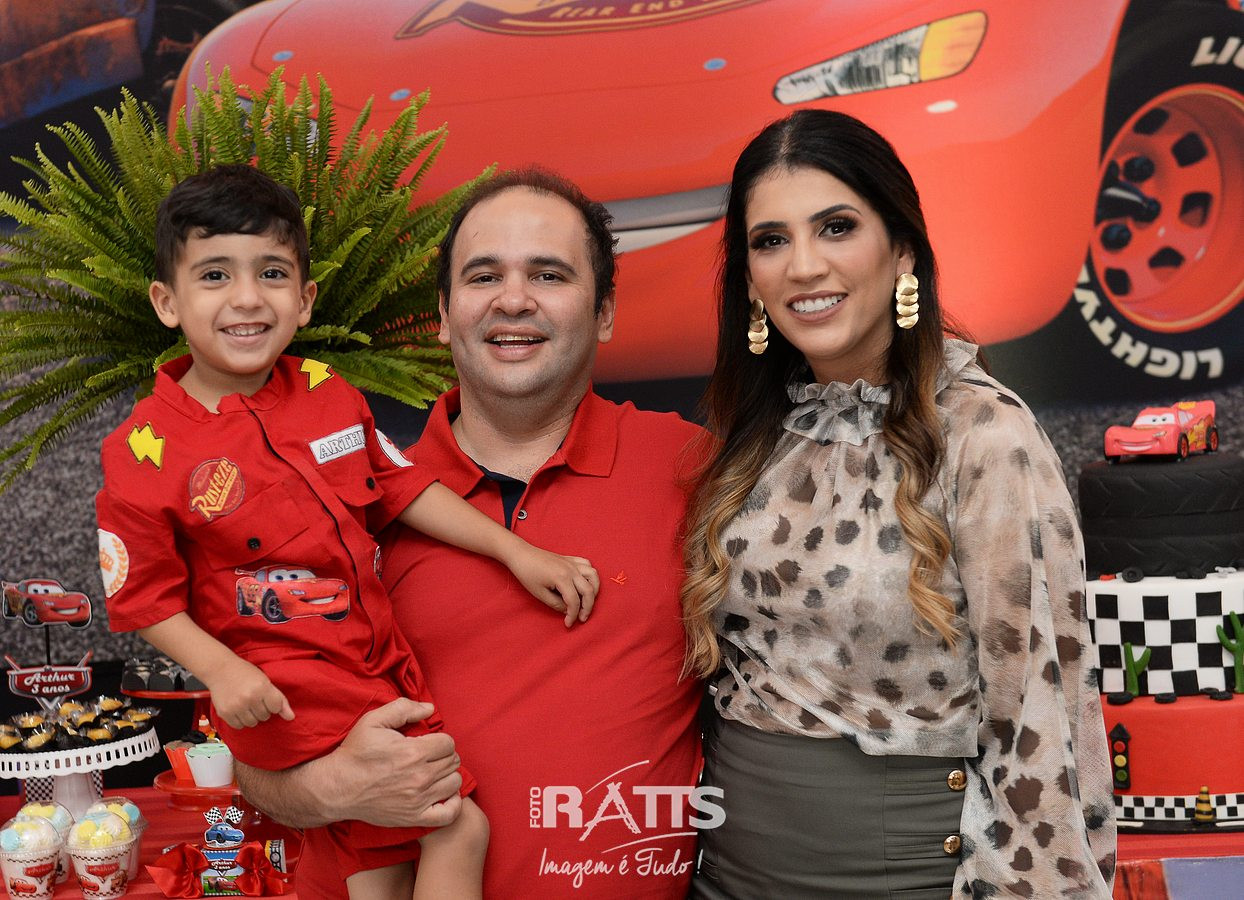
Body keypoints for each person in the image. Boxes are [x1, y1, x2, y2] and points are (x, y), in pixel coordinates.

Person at [95, 165, 601, 900]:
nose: (247, 297)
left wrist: (514, 550)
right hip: (290, 690)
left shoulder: (328, 394)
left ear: (304, 300)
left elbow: (401, 486)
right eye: (214, 275)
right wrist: (225, 672)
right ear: (167, 302)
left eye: (272, 273)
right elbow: (142, 597)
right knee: (453, 828)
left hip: (375, 665)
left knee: (385, 866)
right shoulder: (143, 450)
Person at [233, 168, 706, 899]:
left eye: (548, 274)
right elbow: (252, 753)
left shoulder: (696, 471)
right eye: (484, 276)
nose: (513, 300)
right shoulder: (337, 501)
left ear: (606, 312)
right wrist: (333, 788)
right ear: (444, 315)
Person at [680, 109, 1116, 899]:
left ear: (903, 249)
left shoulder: (983, 434)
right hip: (729, 878)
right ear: (748, 279)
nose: (803, 266)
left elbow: (1038, 717)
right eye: (770, 240)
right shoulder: (753, 437)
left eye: (836, 227)